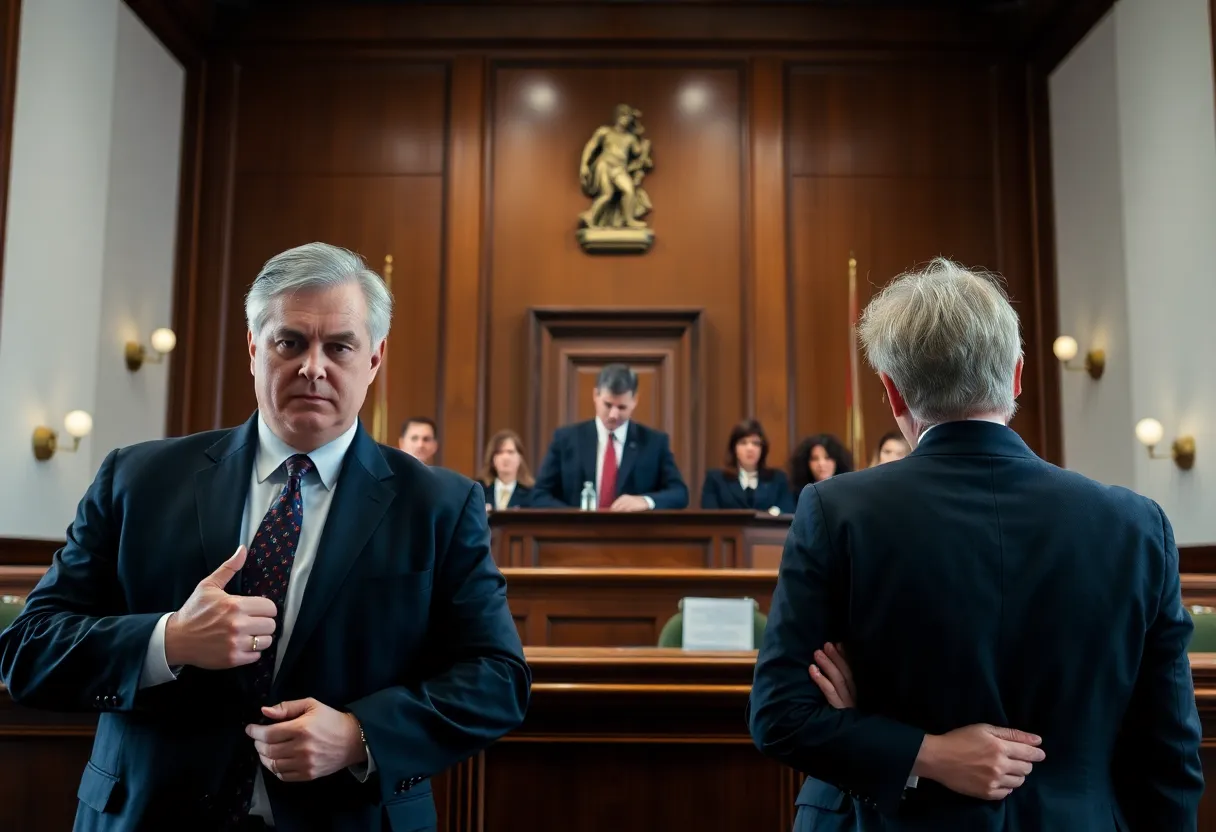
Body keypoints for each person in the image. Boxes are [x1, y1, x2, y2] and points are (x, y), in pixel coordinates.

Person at [0, 243, 530, 831]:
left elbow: (497, 679)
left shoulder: (439, 505)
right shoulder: (137, 479)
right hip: (150, 815)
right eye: (290, 342)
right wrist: (169, 639)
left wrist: (360, 735)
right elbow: (28, 649)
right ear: (254, 348)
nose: (313, 367)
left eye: (340, 346)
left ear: (374, 358)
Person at [748, 257, 1202, 830]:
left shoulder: (834, 511)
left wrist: (910, 747)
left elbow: (782, 716)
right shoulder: (1137, 526)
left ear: (893, 392)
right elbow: (1169, 755)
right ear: (1017, 375)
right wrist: (927, 751)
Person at [531, 363, 688, 511]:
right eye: (607, 405)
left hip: (634, 530)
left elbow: (680, 493)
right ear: (595, 395)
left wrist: (645, 501)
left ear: (635, 400)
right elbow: (539, 495)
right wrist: (575, 518)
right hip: (575, 530)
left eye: (622, 407)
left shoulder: (654, 443)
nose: (614, 415)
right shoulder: (566, 439)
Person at [700, 418, 796, 514]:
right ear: (734, 448)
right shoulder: (716, 479)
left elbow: (788, 508)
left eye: (756, 443)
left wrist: (773, 513)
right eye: (743, 442)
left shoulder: (778, 479)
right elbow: (710, 514)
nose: (750, 448)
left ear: (762, 449)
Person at [478, 429, 534, 511]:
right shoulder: (479, 490)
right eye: (499, 452)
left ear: (520, 458)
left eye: (510, 452)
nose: (505, 457)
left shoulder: (531, 493)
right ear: (492, 459)